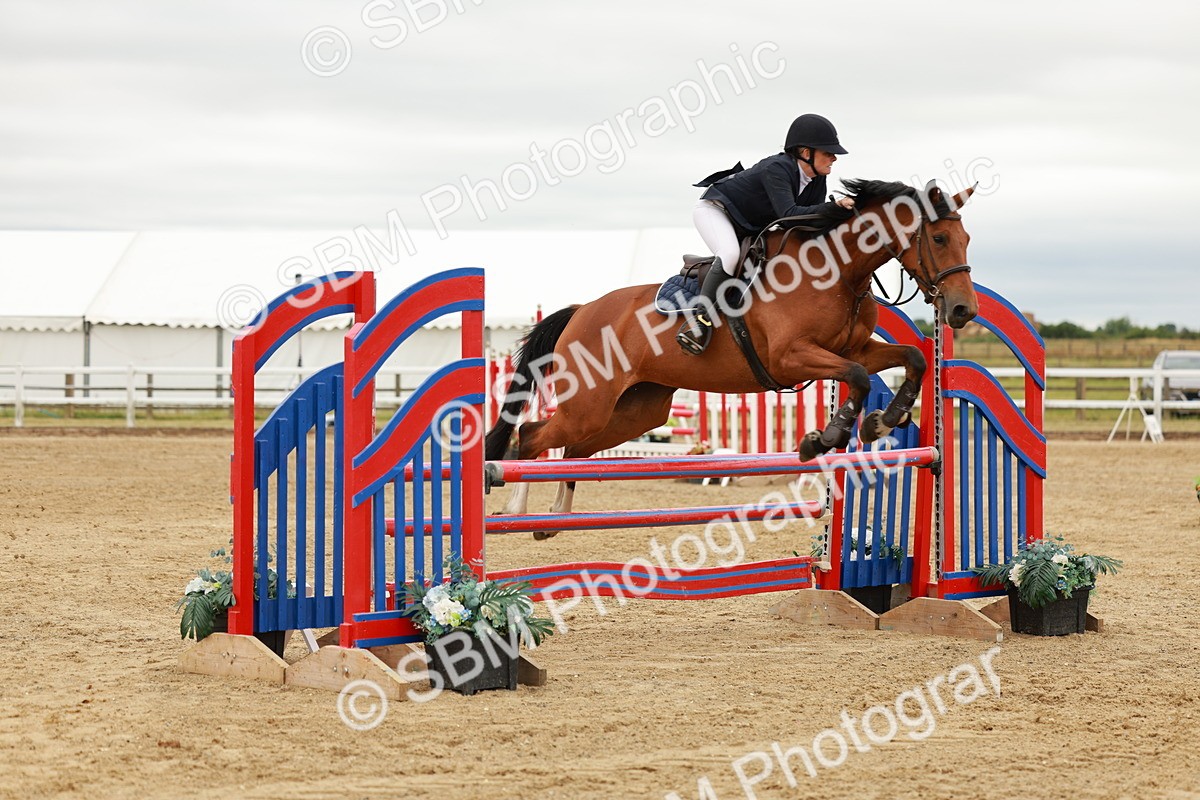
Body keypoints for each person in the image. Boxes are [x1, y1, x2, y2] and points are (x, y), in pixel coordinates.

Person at [676, 113, 857, 355]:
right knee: (730, 254)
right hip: (716, 211)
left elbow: (810, 222)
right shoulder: (777, 168)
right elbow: (789, 214)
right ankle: (700, 323)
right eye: (828, 152)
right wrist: (833, 208)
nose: (834, 157)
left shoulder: (816, 179)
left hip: (750, 224)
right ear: (806, 152)